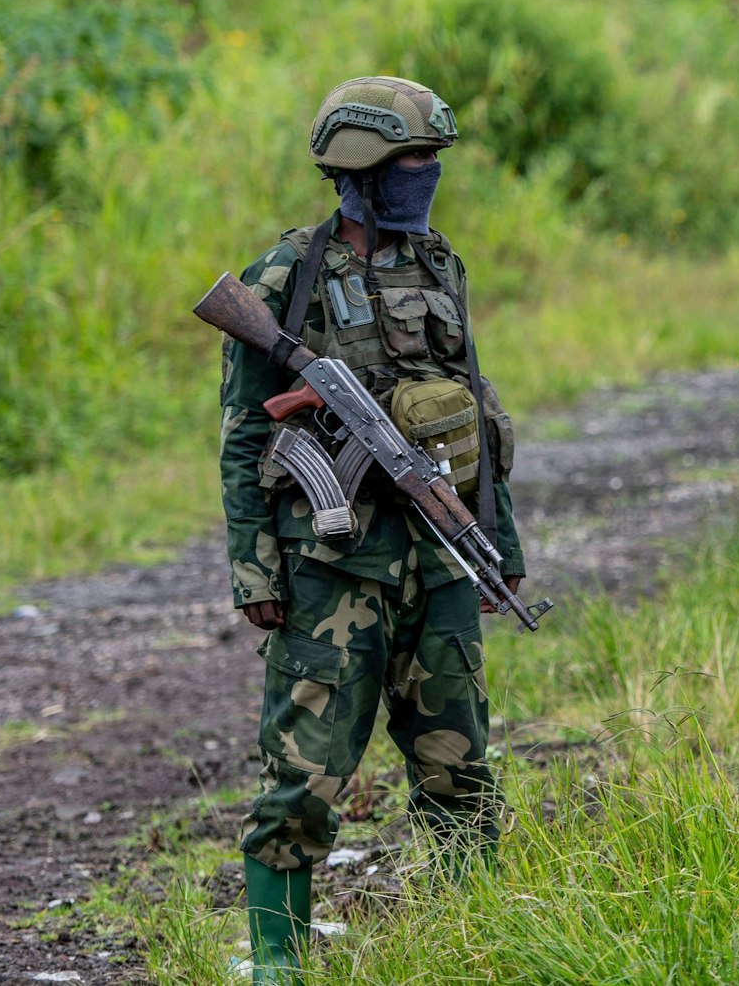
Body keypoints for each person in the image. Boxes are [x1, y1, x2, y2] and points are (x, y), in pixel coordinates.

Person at [218, 77, 526, 980]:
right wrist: (256, 571)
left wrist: (497, 542)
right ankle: (278, 958)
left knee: (460, 766)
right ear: (359, 167)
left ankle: (480, 934)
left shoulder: (440, 265)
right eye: (410, 161)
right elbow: (244, 431)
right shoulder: (287, 274)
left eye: (432, 159)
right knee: (304, 777)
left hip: (437, 563)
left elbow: (473, 408)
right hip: (332, 570)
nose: (426, 175)